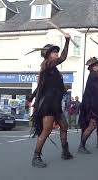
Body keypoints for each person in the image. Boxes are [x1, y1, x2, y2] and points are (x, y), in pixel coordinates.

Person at [29, 34, 73, 168]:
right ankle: (36, 157)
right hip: (48, 104)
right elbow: (63, 58)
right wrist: (67, 41)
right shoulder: (47, 64)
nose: (56, 54)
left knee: (64, 126)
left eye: (56, 52)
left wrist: (30, 97)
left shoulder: (53, 70)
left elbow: (40, 86)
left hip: (55, 103)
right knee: (46, 131)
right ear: (48, 55)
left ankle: (65, 151)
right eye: (54, 52)